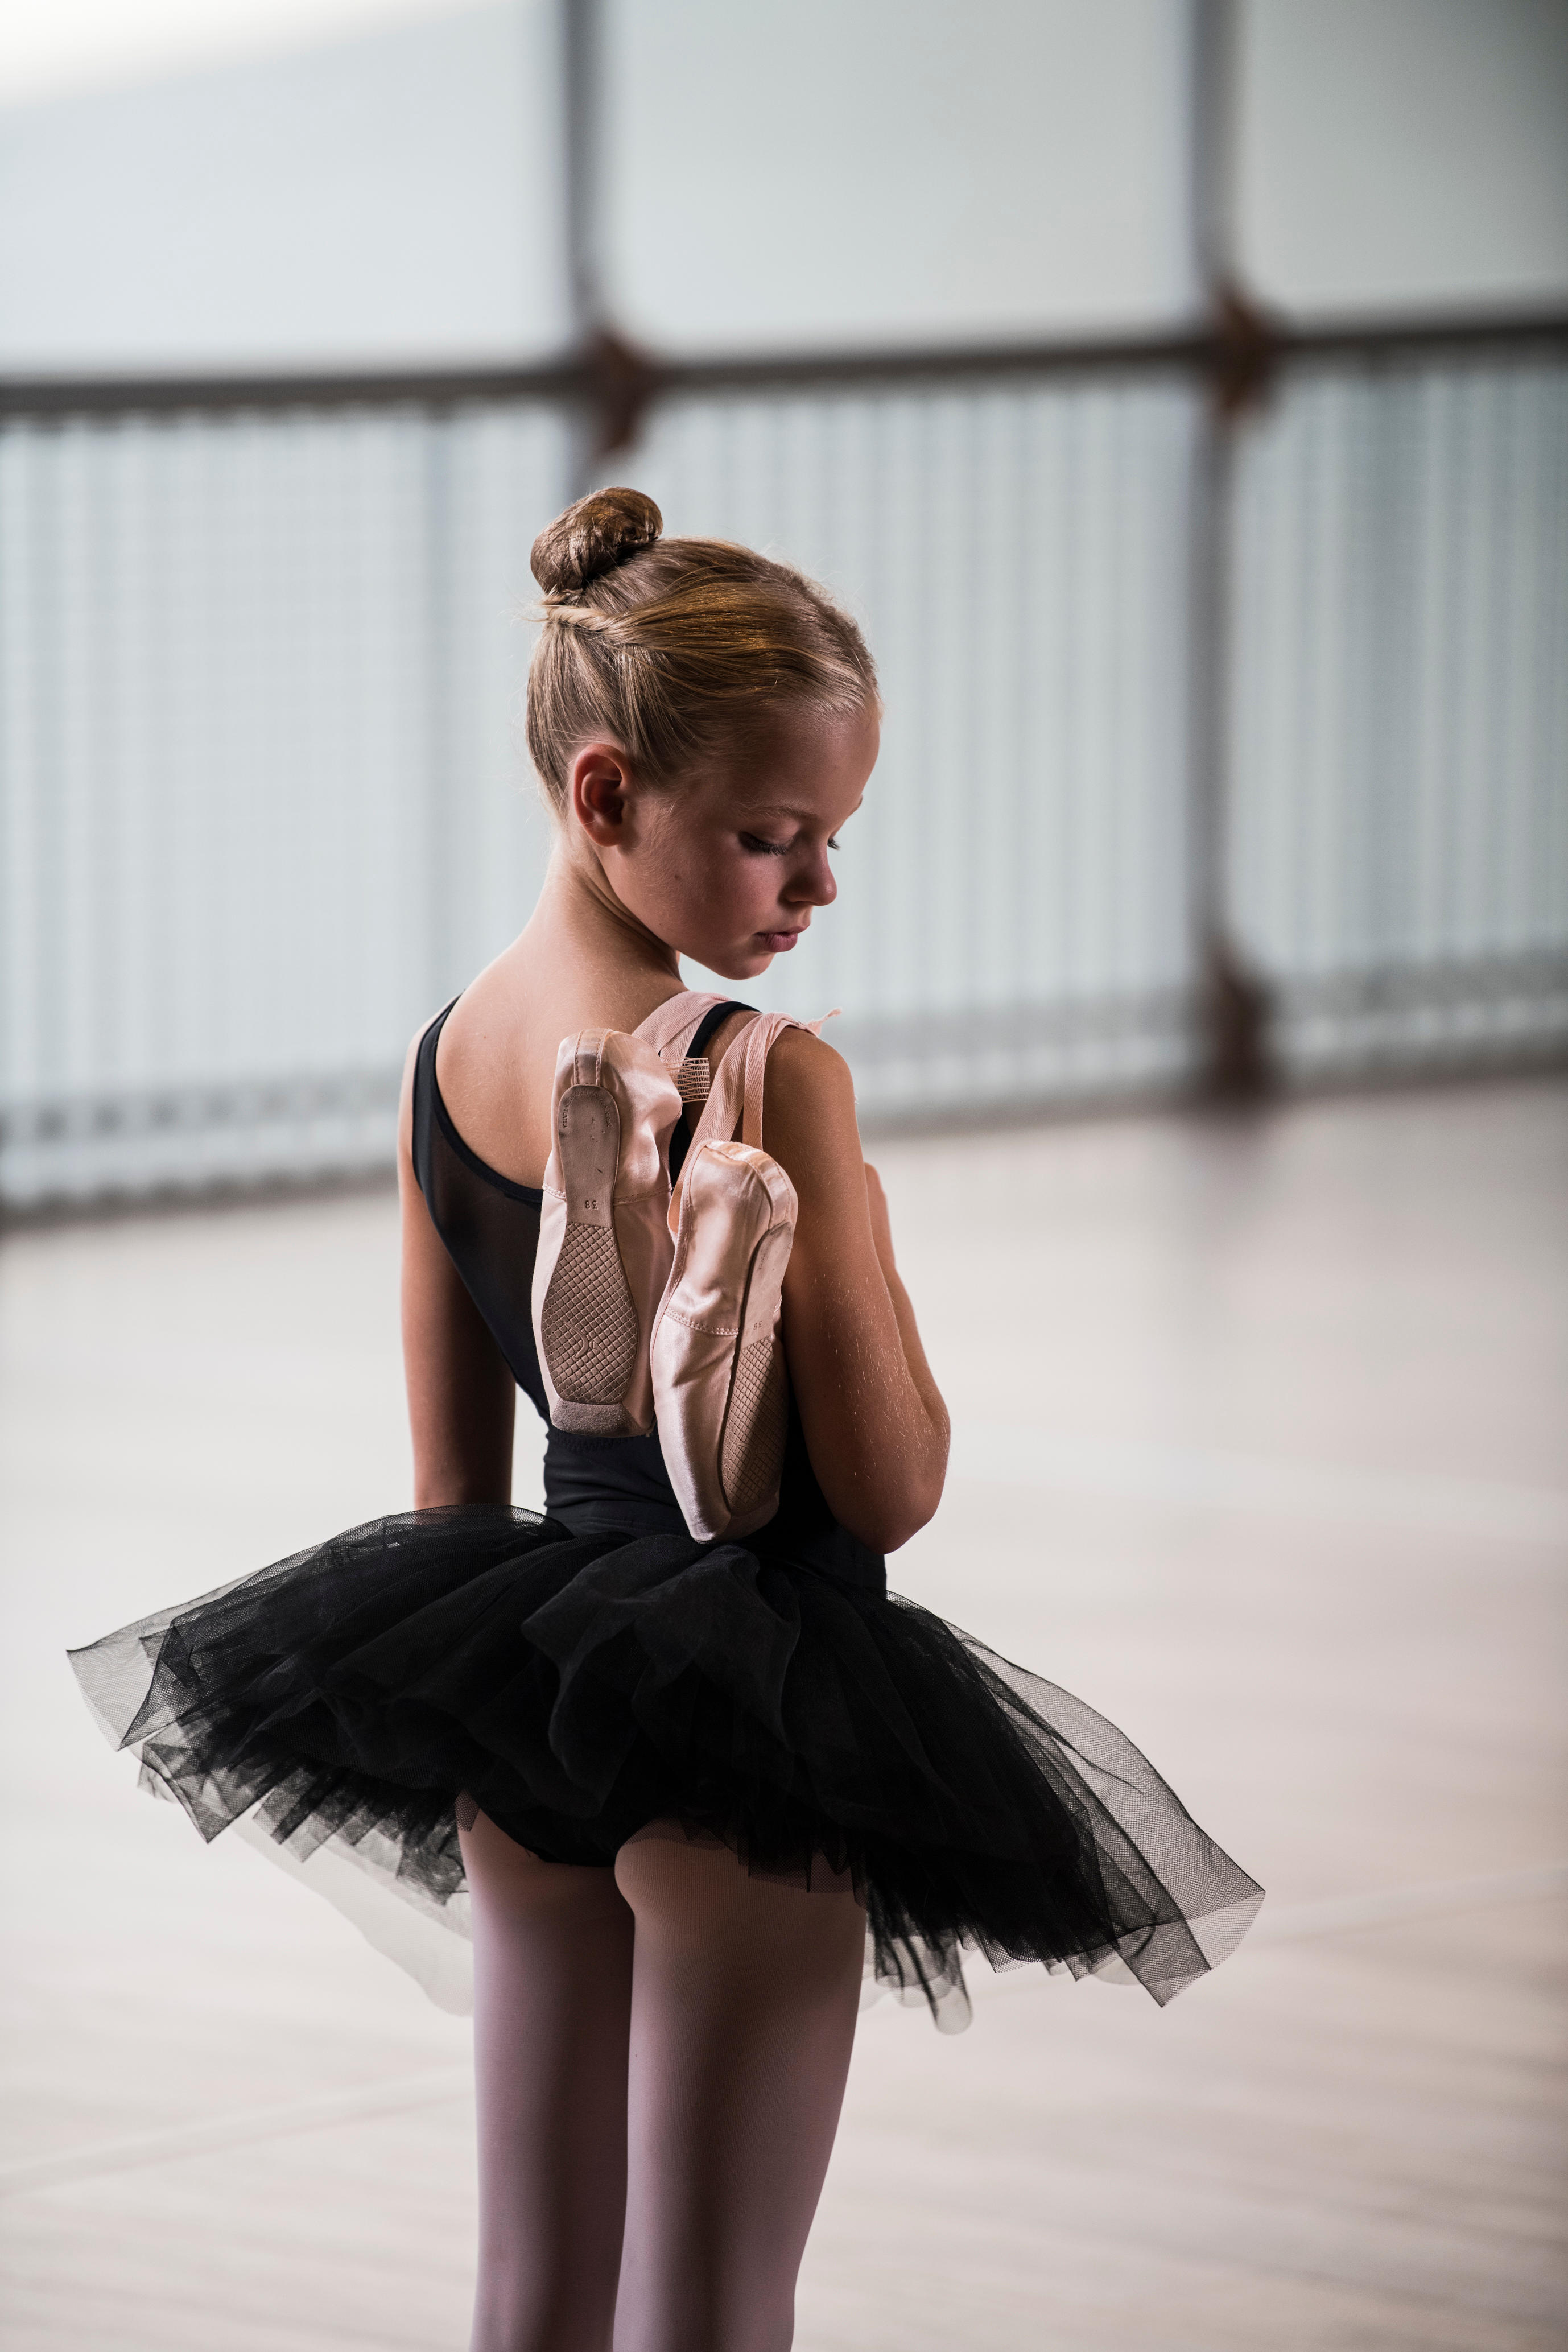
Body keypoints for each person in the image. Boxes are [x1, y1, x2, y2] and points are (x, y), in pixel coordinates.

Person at [71, 487, 1262, 2352]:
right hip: (759, 1725)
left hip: (521, 1708)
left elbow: (451, 1492)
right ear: (608, 794)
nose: (815, 888)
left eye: (832, 840)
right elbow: (890, 1485)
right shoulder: (758, 1071)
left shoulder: (445, 1057)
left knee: (527, 2295)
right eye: (773, 838)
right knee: (712, 2311)